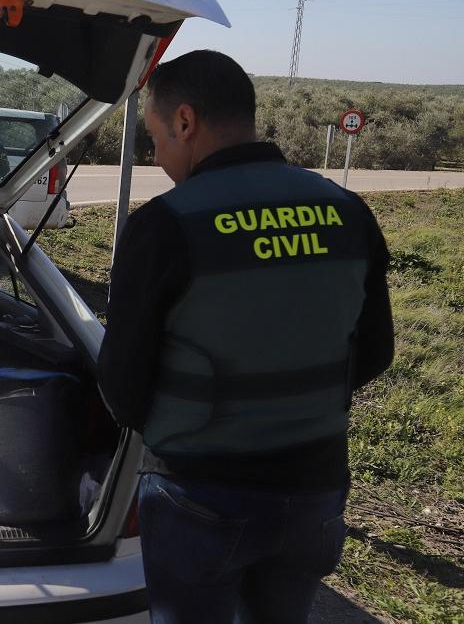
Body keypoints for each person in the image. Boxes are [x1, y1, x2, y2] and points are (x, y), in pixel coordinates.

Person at [97, 50, 394, 623]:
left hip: (202, 496)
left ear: (185, 122)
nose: (157, 156)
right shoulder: (347, 211)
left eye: (156, 137)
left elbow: (123, 385)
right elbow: (375, 352)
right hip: (315, 490)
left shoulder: (166, 224)